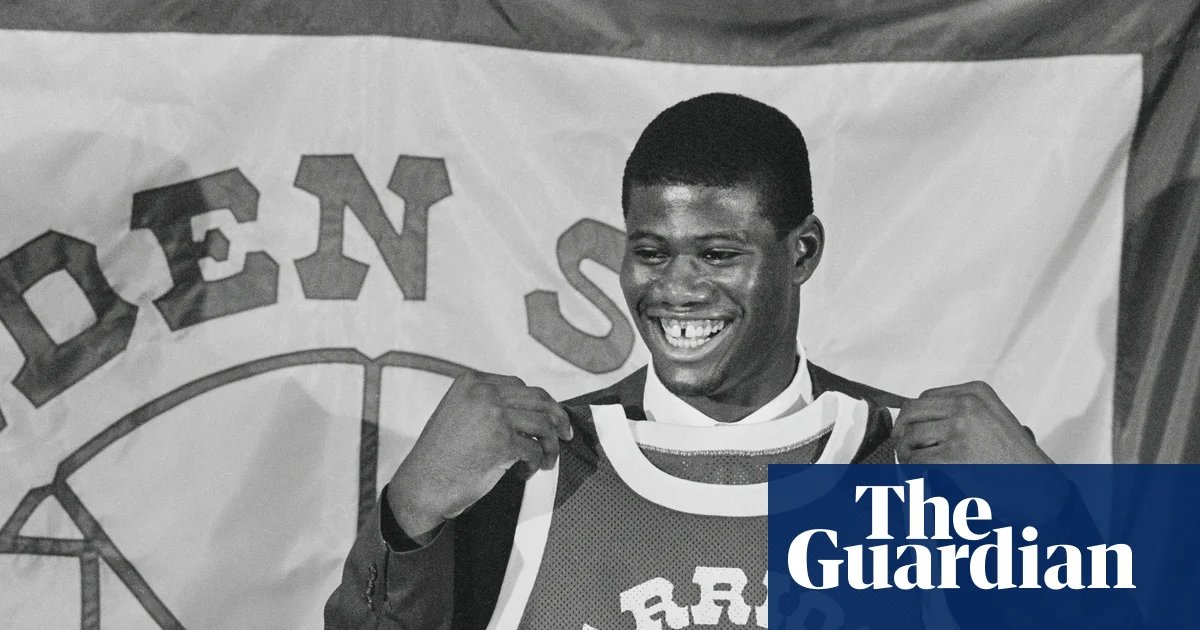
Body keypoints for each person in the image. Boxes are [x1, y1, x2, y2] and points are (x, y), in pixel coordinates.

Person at [324, 93, 1059, 629]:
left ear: (802, 252)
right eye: (651, 252)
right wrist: (409, 512)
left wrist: (1052, 518)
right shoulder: (529, 466)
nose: (676, 288)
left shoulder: (918, 465)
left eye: (717, 254)